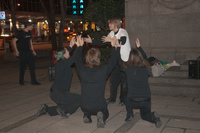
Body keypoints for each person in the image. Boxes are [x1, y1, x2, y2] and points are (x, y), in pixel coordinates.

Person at [75, 35, 120, 128]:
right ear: (98, 59)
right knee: (105, 111)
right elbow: (113, 61)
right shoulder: (103, 71)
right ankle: (102, 116)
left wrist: (79, 46)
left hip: (84, 105)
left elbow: (77, 61)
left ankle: (87, 115)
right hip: (99, 106)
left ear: (87, 59)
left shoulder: (82, 71)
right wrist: (114, 46)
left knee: (88, 107)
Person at [84, 18, 131, 105]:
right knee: (113, 80)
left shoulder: (123, 32)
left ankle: (123, 100)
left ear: (116, 25)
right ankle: (112, 98)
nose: (109, 25)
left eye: (111, 24)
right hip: (116, 59)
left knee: (124, 81)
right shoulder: (112, 33)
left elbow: (123, 41)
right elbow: (103, 42)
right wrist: (92, 41)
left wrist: (111, 40)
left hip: (124, 60)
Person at [121, 38, 162, 128]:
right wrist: (139, 47)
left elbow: (117, 60)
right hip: (146, 99)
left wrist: (117, 47)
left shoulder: (127, 69)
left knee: (125, 96)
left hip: (132, 100)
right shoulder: (146, 68)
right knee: (145, 116)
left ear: (130, 58)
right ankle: (153, 117)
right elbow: (146, 58)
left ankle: (130, 114)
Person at [37, 38, 81, 118]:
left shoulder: (62, 62)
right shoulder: (61, 64)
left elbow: (67, 54)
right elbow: (74, 57)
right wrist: (79, 46)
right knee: (79, 99)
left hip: (60, 94)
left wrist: (71, 45)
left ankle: (47, 109)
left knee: (71, 105)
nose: (68, 51)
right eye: (67, 51)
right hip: (59, 94)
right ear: (63, 55)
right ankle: (61, 109)